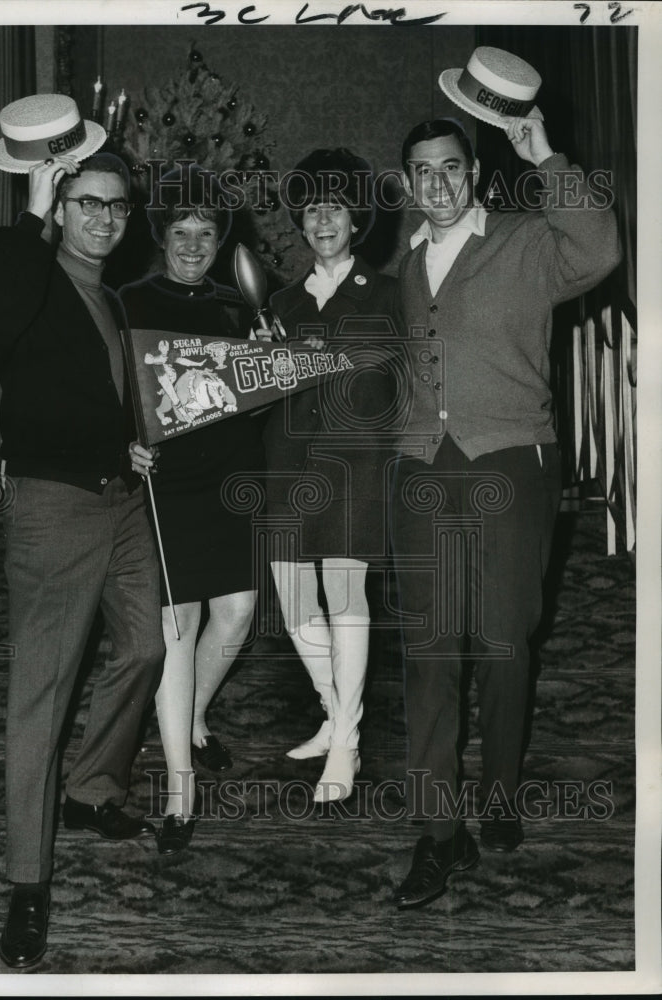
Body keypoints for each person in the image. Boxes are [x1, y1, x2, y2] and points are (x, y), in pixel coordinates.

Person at [391, 110, 621, 908]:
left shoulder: (526, 240)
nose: (436, 183)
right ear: (408, 184)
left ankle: (497, 791)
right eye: (421, 171)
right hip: (422, 470)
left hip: (512, 462)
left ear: (474, 173)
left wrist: (544, 154)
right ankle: (437, 829)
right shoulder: (405, 261)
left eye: (449, 167)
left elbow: (601, 249)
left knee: (501, 641)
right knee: (427, 648)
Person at [0, 140, 165, 966]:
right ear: (61, 207)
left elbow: (94, 395)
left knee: (145, 646)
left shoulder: (108, 298)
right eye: (89, 204)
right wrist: (32, 217)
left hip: (119, 502)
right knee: (40, 693)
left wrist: (129, 445)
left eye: (117, 206)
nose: (107, 220)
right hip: (53, 509)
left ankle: (89, 788)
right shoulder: (32, 278)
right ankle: (27, 884)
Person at [122, 165, 266, 855]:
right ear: (160, 236)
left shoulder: (239, 307)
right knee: (176, 627)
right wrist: (122, 444)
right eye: (179, 231)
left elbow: (262, 394)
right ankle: (181, 783)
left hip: (231, 475)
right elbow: (110, 390)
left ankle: (194, 715)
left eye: (204, 232)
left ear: (219, 240)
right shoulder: (127, 301)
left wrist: (271, 363)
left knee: (236, 613)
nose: (191, 243)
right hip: (167, 479)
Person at [262, 147, 402, 804]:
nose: (321, 219)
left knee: (345, 607)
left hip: (356, 470)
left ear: (356, 219)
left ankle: (343, 744)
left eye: (334, 206)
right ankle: (336, 712)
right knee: (294, 608)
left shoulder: (390, 294)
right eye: (311, 206)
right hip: (288, 470)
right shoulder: (280, 301)